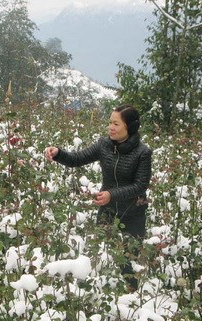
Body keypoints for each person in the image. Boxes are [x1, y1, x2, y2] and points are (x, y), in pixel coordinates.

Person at [44, 105, 152, 291]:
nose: (110, 127)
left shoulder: (143, 153)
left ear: (130, 127)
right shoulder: (104, 145)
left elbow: (140, 185)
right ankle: (99, 296)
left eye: (116, 124)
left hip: (133, 213)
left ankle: (130, 300)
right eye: (110, 122)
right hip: (108, 211)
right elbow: (77, 159)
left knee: (129, 263)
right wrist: (58, 153)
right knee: (100, 254)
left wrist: (112, 194)